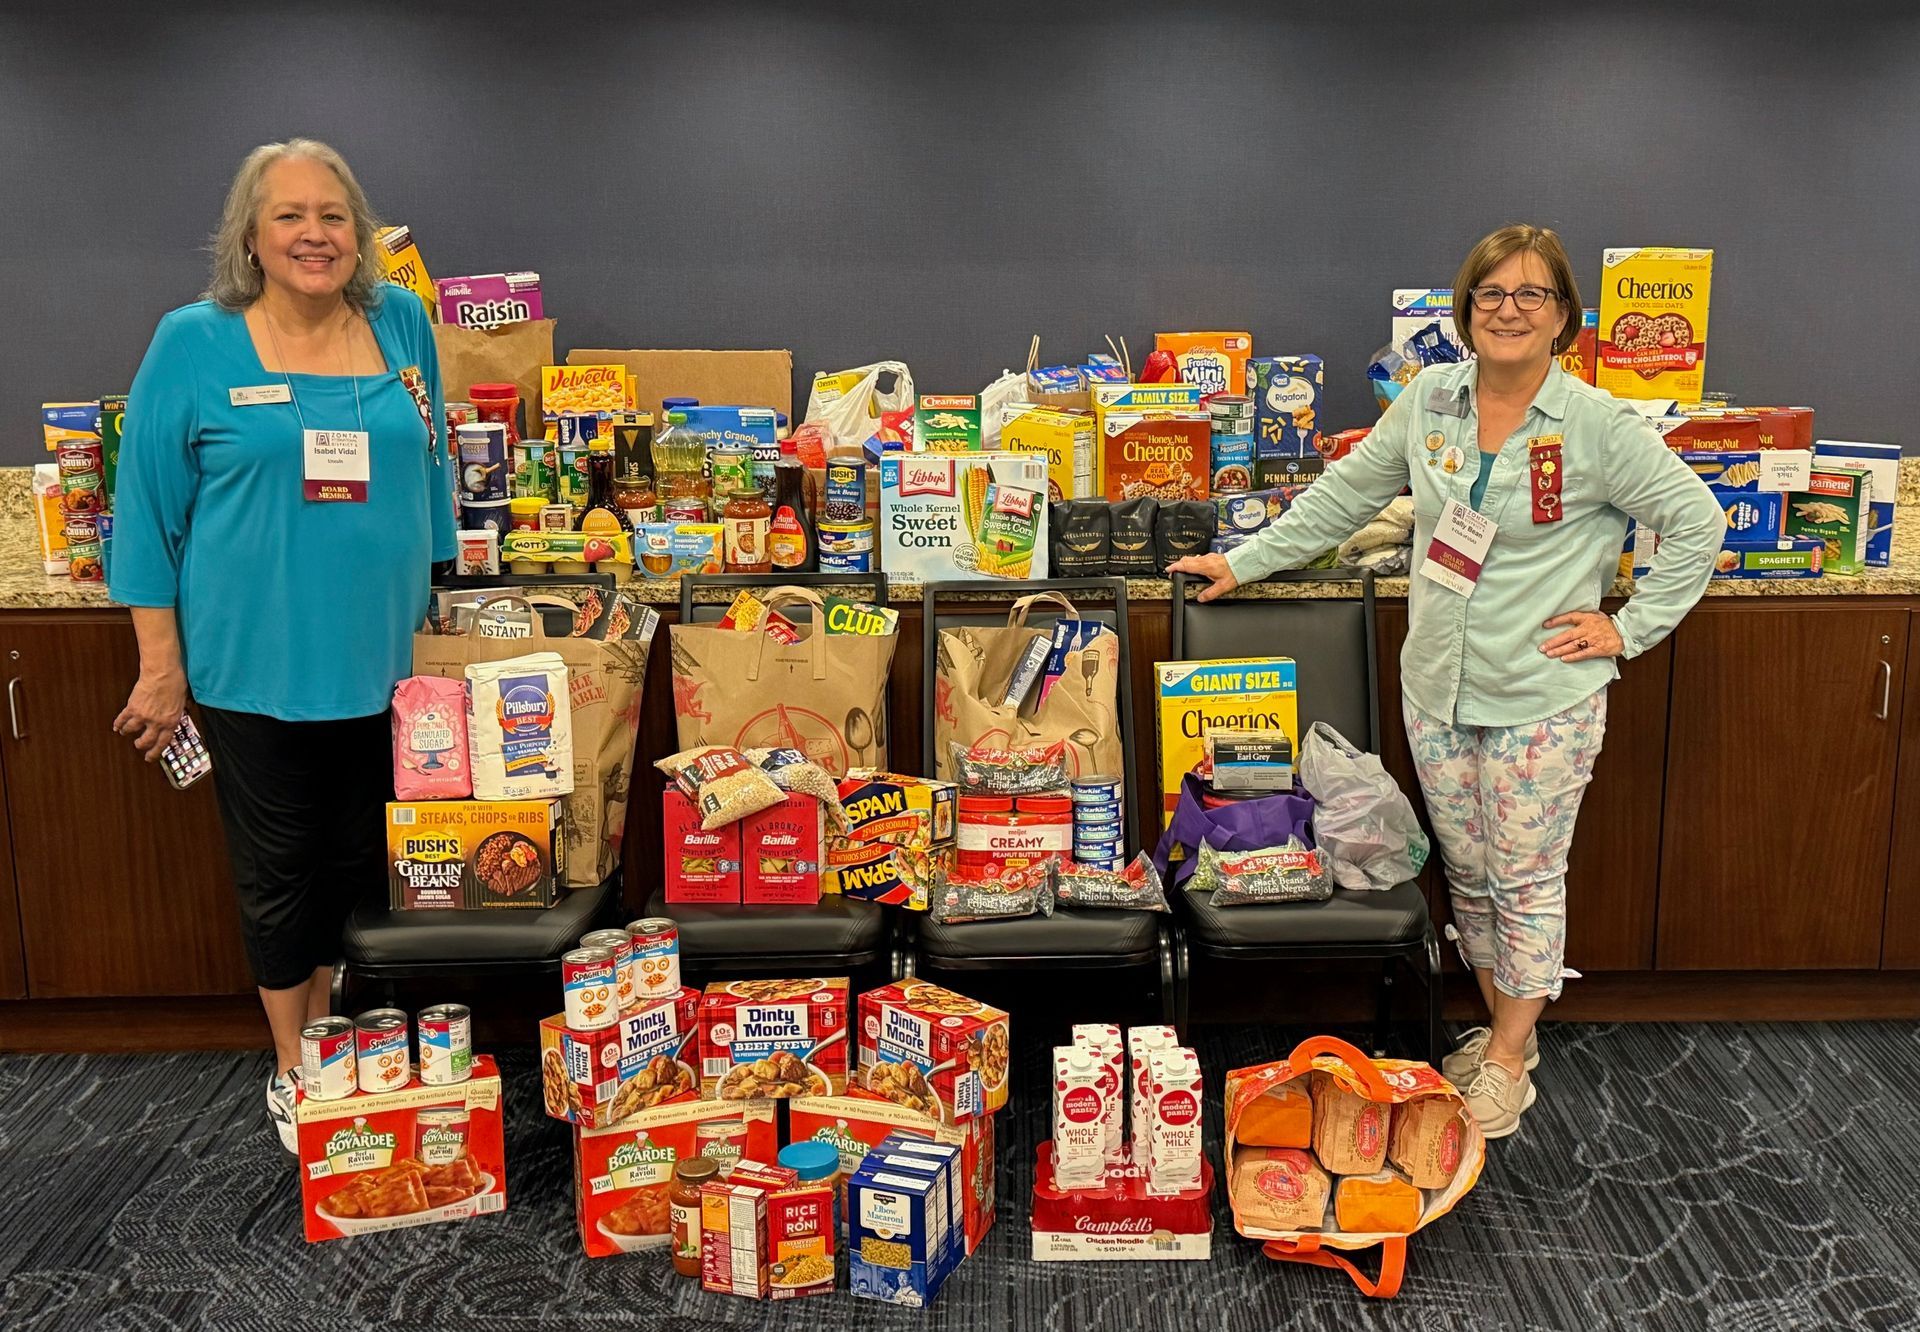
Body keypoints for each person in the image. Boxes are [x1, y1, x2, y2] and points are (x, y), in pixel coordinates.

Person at [1171, 224, 1722, 1138]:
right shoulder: (1432, 401)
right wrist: (1246, 560)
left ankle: (1508, 1058)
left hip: (1541, 697)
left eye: (1530, 295)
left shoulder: (1597, 427)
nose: (1508, 310)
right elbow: (1345, 496)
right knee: (1466, 873)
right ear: (1466, 312)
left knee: (1527, 878)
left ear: (1563, 318)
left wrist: (1626, 628)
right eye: (1490, 294)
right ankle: (1508, 1027)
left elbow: (1697, 526)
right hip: (1437, 689)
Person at [109, 139, 454, 1150]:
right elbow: (144, 515)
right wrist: (160, 667)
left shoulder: (401, 324)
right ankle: (296, 1067)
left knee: (363, 862)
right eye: (290, 216)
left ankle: (342, 1036)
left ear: (360, 232)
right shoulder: (194, 342)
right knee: (280, 868)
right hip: (252, 661)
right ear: (250, 238)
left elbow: (428, 465)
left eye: (334, 215)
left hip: (390, 662)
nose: (316, 234)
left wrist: (438, 613)